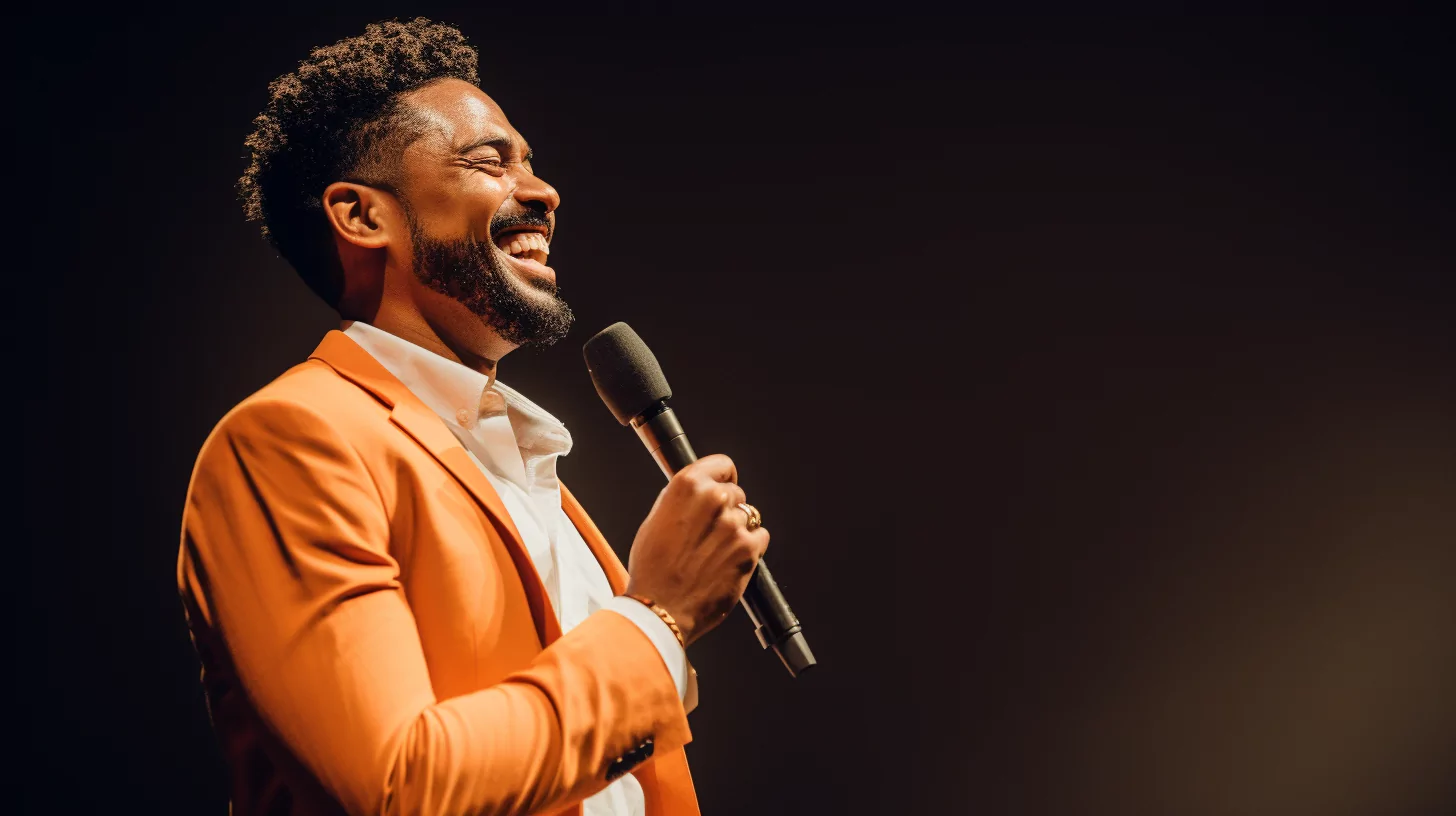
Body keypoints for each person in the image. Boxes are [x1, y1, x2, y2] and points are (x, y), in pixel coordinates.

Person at [176, 18, 769, 816]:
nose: (543, 193)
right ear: (360, 216)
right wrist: (656, 617)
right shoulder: (291, 440)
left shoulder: (524, 471)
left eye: (532, 162)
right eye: (488, 161)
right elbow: (399, 786)